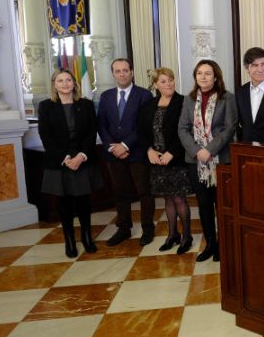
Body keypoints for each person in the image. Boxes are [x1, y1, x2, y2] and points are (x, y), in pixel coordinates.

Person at [38, 70, 102, 258]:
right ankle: (69, 240)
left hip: (82, 160)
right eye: (60, 80)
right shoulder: (46, 106)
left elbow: (92, 132)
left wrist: (81, 156)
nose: (65, 83)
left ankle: (86, 237)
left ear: (74, 84)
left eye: (68, 80)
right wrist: (64, 158)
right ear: (54, 85)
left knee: (84, 202)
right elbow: (45, 136)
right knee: (64, 203)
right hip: (60, 162)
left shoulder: (86, 105)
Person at [178, 59, 237, 262]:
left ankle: (224, 245)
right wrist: (197, 151)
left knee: (222, 205)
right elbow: (182, 129)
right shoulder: (189, 99)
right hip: (196, 162)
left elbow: (229, 128)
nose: (203, 77)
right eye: (199, 73)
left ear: (216, 77)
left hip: (221, 159)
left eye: (208, 73)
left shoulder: (227, 98)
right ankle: (211, 244)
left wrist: (209, 149)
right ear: (195, 77)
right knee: (203, 205)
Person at [98, 58, 154, 246]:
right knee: (120, 192)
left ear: (132, 72)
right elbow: (101, 125)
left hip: (137, 152)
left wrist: (126, 145)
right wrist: (112, 147)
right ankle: (124, 229)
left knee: (144, 192)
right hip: (113, 154)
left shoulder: (144, 95)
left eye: (125, 70)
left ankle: (148, 229)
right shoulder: (105, 96)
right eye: (117, 71)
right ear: (113, 73)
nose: (122, 74)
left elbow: (144, 125)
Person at [138, 68, 193, 254]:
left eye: (170, 80)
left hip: (176, 159)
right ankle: (172, 235)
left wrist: (173, 152)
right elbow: (142, 132)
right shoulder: (148, 105)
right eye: (163, 81)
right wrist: (149, 150)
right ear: (155, 85)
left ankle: (187, 236)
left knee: (179, 198)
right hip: (156, 161)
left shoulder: (184, 101)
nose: (168, 84)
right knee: (167, 199)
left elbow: (187, 131)